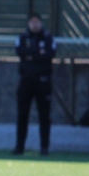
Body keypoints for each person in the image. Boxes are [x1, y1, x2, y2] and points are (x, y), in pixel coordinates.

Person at [13, 14, 56, 156]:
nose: (35, 25)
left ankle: (44, 148)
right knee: (22, 115)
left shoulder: (48, 38)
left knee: (44, 115)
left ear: (41, 23)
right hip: (26, 82)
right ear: (28, 23)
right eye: (32, 22)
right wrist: (38, 52)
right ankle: (19, 147)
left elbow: (50, 54)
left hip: (43, 82)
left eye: (37, 22)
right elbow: (20, 51)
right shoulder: (23, 37)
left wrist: (31, 55)